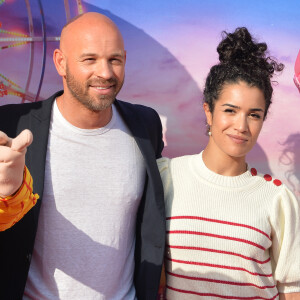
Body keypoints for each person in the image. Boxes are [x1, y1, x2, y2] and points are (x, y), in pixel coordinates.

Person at [0, 12, 165, 300]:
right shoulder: (12, 127)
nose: (105, 72)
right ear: (60, 62)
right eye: (89, 59)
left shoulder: (145, 125)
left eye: (114, 59)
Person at [158, 27, 300, 299]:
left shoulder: (277, 198)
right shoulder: (166, 176)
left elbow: (293, 291)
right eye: (230, 111)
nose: (241, 126)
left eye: (254, 115)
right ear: (208, 111)